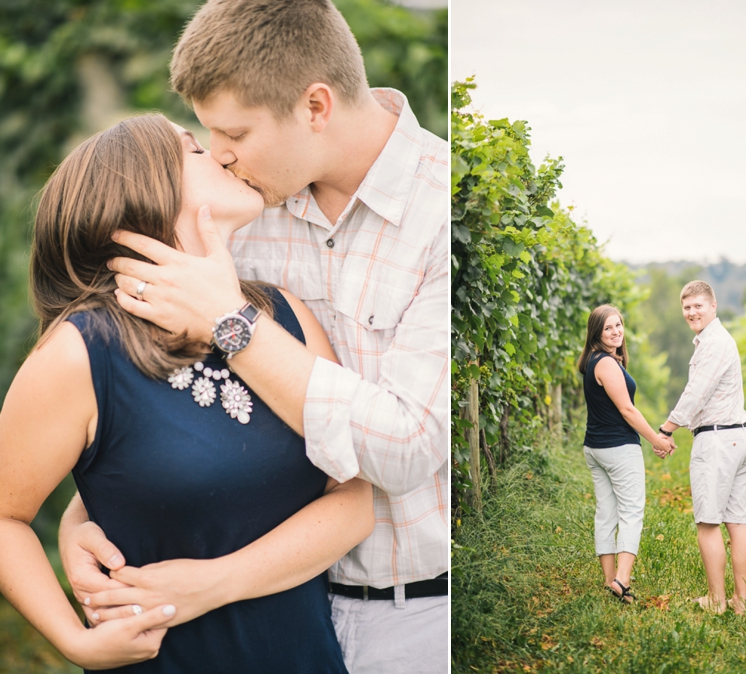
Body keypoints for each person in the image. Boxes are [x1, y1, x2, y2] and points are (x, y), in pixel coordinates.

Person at [59, 1, 449, 671]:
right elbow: (174, 401)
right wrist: (87, 515)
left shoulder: (442, 211)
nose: (219, 154)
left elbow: (410, 448)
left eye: (233, 131)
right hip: (271, 614)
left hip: (412, 618)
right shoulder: (244, 204)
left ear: (316, 107)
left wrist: (233, 324)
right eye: (206, 135)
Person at [0, 114, 375, 672]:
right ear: (144, 189)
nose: (223, 154)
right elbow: (6, 516)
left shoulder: (283, 316)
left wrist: (215, 584)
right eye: (194, 147)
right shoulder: (79, 353)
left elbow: (355, 498)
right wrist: (73, 640)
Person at [657, 280, 746, 615]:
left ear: (713, 306)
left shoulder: (713, 343)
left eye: (698, 305)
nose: (691, 312)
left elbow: (696, 392)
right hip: (738, 436)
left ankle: (718, 602)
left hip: (718, 442)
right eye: (686, 307)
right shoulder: (716, 340)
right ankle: (739, 603)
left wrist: (666, 429)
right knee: (737, 521)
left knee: (709, 524)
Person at [577, 305, 674, 605]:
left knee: (606, 512)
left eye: (618, 325)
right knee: (631, 512)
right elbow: (627, 410)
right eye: (608, 328)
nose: (616, 331)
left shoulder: (594, 361)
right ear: (597, 332)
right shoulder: (605, 363)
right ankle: (622, 579)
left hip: (595, 447)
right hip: (618, 448)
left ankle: (610, 581)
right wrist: (657, 439)